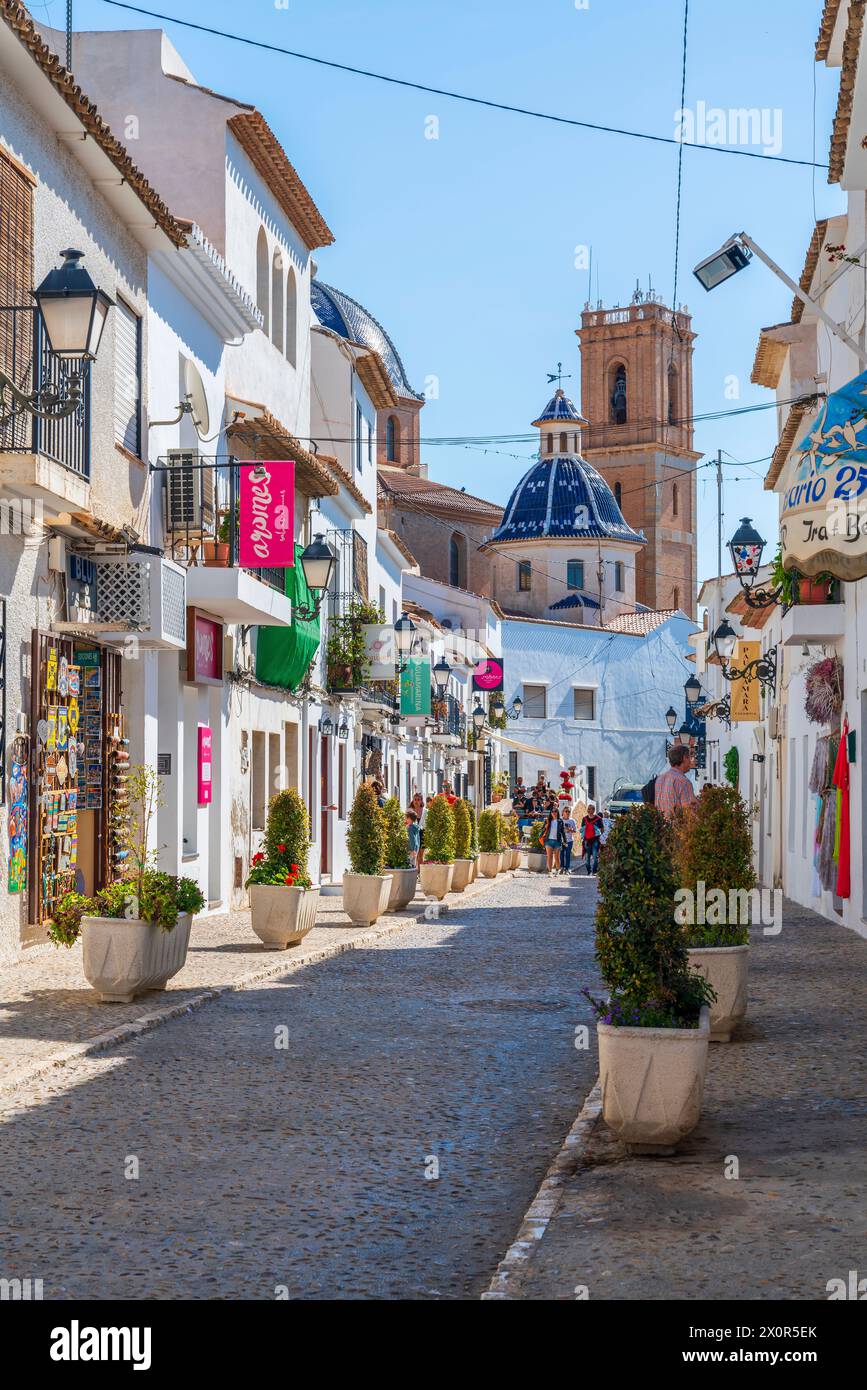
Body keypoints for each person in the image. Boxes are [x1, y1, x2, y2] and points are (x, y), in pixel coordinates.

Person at [654, 744, 696, 822]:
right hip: (679, 830)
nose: (691, 761)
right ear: (684, 758)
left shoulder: (660, 778)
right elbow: (689, 813)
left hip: (663, 828)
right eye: (689, 757)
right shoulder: (683, 782)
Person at [580, 803, 604, 875]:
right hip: (587, 840)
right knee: (587, 858)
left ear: (594, 810)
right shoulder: (584, 819)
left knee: (595, 856)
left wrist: (597, 835)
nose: (590, 810)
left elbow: (602, 829)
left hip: (595, 840)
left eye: (591, 809)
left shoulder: (598, 819)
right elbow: (582, 830)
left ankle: (594, 871)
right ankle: (589, 871)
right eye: (589, 809)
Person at [543, 803, 566, 874]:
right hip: (548, 841)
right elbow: (543, 829)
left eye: (555, 811)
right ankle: (550, 871)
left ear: (557, 813)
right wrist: (545, 826)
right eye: (552, 811)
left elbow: (563, 832)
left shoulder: (560, 821)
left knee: (557, 857)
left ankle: (557, 870)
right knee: (549, 857)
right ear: (551, 813)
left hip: (557, 841)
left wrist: (565, 841)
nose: (554, 813)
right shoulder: (548, 820)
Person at [411, 792, 427, 864]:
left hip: (423, 834)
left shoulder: (425, 811)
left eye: (418, 799)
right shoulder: (410, 811)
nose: (416, 801)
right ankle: (414, 871)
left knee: (420, 855)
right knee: (414, 855)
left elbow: (427, 825)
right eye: (415, 799)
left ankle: (420, 873)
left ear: (421, 801)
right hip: (412, 835)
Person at [561, 804, 578, 872]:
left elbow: (575, 830)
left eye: (569, 811)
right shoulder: (560, 820)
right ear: (563, 812)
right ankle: (562, 867)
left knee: (568, 855)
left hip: (569, 840)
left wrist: (570, 830)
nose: (568, 813)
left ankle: (567, 868)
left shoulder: (572, 821)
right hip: (562, 840)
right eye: (566, 811)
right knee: (561, 854)